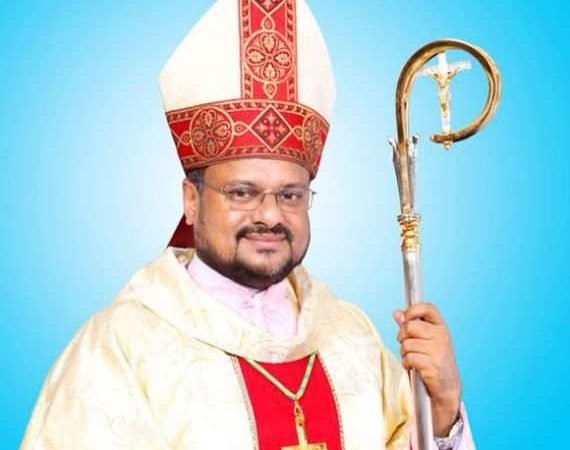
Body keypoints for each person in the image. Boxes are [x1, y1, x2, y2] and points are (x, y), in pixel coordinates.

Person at [21, 0, 475, 449]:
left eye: (290, 195)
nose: (271, 215)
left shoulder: (350, 336)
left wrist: (441, 411)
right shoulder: (122, 347)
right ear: (191, 200)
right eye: (242, 192)